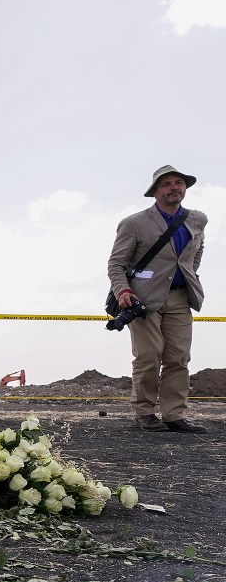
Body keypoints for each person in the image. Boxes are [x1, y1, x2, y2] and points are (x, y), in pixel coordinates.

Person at [109, 165, 209, 433]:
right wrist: (124, 291)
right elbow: (116, 264)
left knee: (178, 357)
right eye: (167, 184)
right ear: (155, 191)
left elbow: (196, 252)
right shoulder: (133, 223)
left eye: (179, 182)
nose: (174, 187)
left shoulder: (197, 219)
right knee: (148, 356)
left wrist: (189, 274)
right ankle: (144, 412)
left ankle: (174, 415)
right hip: (142, 300)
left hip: (180, 297)